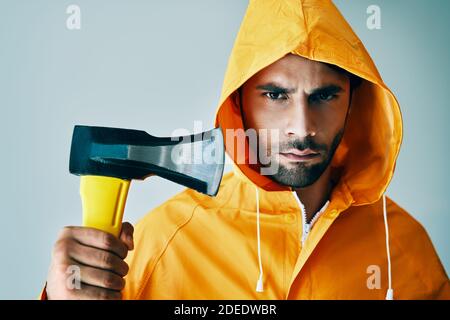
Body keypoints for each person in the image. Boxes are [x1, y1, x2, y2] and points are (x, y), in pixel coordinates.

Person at [43, 0, 449, 299]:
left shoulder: (404, 246)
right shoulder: (162, 242)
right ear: (239, 103)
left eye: (324, 96)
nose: (302, 128)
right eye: (276, 95)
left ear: (354, 102)